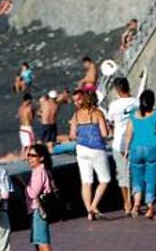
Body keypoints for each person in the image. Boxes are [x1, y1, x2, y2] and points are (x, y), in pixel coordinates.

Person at [124, 89, 156, 219]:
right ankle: (150, 208)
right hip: (153, 149)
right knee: (151, 179)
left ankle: (136, 205)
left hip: (136, 149)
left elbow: (128, 134)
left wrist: (127, 149)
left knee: (137, 179)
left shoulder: (133, 115)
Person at [70, 90, 110, 220]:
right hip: (96, 148)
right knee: (105, 179)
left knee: (86, 181)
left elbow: (72, 135)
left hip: (81, 149)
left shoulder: (76, 115)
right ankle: (93, 207)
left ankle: (89, 211)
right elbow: (105, 134)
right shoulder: (97, 113)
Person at [107, 76, 138, 215]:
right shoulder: (136, 102)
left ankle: (127, 203)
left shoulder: (114, 105)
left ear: (117, 90)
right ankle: (136, 203)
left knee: (122, 174)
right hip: (135, 141)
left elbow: (111, 122)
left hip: (119, 142)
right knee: (135, 173)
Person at [25, 144, 54, 250]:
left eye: (33, 155)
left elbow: (33, 193)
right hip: (37, 210)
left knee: (42, 241)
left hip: (38, 209)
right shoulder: (39, 171)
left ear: (41, 158)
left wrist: (25, 186)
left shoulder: (39, 172)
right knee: (38, 241)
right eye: (28, 155)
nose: (29, 158)